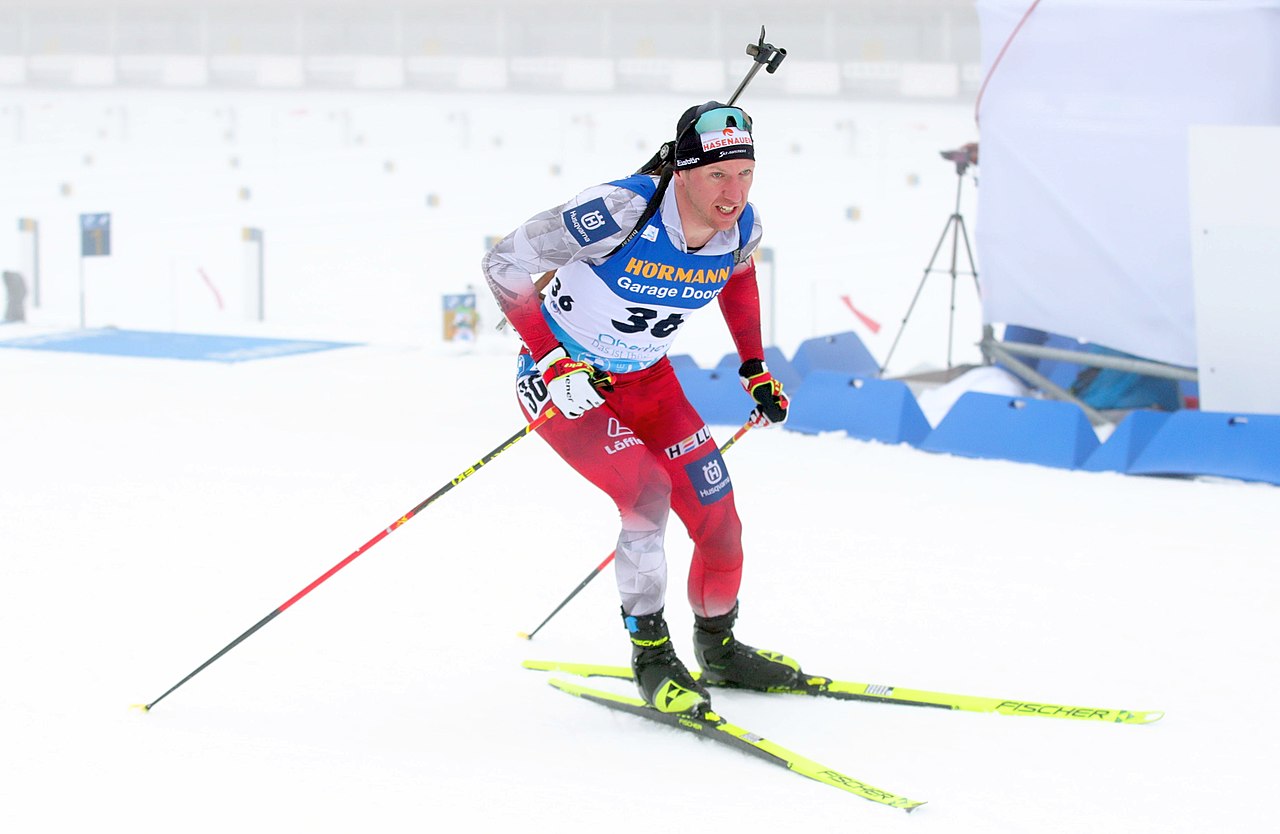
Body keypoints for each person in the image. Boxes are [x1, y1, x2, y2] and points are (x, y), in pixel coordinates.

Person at [481, 101, 802, 715]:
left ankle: (720, 649)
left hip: (649, 381)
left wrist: (754, 366)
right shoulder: (620, 210)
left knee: (720, 521)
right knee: (647, 496)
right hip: (569, 383)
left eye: (745, 173)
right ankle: (652, 655)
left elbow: (735, 279)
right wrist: (552, 361)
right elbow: (505, 264)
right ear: (681, 171)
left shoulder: (743, 226)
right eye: (717, 175)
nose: (733, 192)